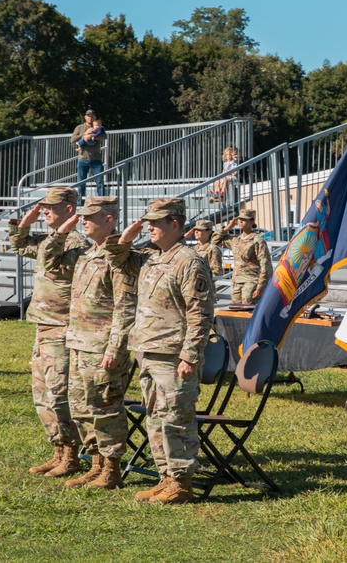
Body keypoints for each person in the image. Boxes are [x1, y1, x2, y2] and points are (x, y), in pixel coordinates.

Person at [113, 198, 214, 505]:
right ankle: (166, 477)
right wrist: (128, 235)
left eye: (156, 222)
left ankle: (181, 483)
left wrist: (189, 355)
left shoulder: (189, 261)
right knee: (155, 417)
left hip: (173, 355)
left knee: (176, 418)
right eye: (148, 222)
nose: (150, 227)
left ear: (176, 224)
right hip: (149, 351)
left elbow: (201, 314)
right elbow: (115, 257)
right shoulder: (150, 258)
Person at [44, 196, 136, 489]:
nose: (82, 221)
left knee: (105, 408)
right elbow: (48, 260)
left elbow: (125, 307)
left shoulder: (118, 256)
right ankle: (96, 464)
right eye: (80, 216)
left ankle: (111, 470)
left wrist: (115, 348)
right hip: (79, 343)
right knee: (82, 408)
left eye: (89, 216)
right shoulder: (85, 254)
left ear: (109, 219)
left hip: (103, 347)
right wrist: (61, 231)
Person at [7, 187, 87, 477]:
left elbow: (53, 258)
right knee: (42, 394)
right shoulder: (46, 240)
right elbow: (19, 244)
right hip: (44, 326)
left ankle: (72, 453)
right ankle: (58, 449)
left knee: (59, 393)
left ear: (69, 209)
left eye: (51, 207)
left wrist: (57, 232)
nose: (45, 211)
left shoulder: (76, 244)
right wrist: (28, 219)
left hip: (62, 327)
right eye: (43, 207)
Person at [212, 209, 272, 305]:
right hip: (237, 281)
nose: (240, 221)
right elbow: (215, 240)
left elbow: (266, 265)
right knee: (236, 308)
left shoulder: (257, 241)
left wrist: (260, 286)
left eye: (244, 219)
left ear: (252, 221)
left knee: (248, 307)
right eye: (239, 219)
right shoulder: (236, 239)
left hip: (251, 281)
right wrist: (227, 227)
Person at [70, 109, 107, 201]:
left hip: (96, 159)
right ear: (85, 117)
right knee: (81, 182)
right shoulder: (79, 127)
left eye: (92, 116)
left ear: (95, 117)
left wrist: (91, 136)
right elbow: (73, 139)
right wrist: (84, 134)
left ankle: (102, 200)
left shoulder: (98, 126)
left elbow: (104, 136)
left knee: (99, 181)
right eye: (88, 116)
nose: (90, 118)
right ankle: (80, 201)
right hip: (83, 159)